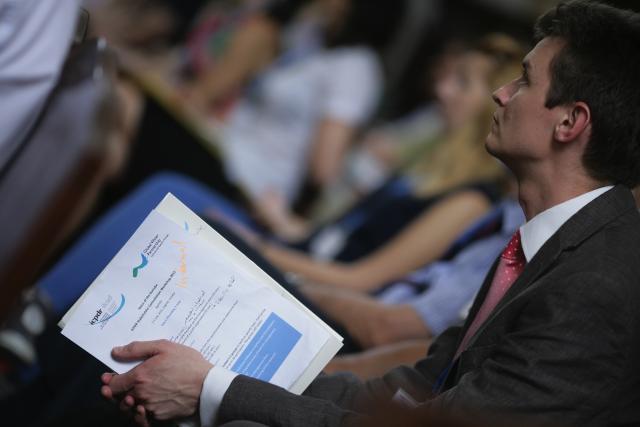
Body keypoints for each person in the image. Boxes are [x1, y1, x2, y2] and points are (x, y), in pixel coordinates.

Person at [101, 1, 640, 426]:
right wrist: (222, 381)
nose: (501, 94)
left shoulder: (598, 280)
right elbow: (413, 386)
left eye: (523, 80)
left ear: (570, 122)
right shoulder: (553, 241)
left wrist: (214, 387)